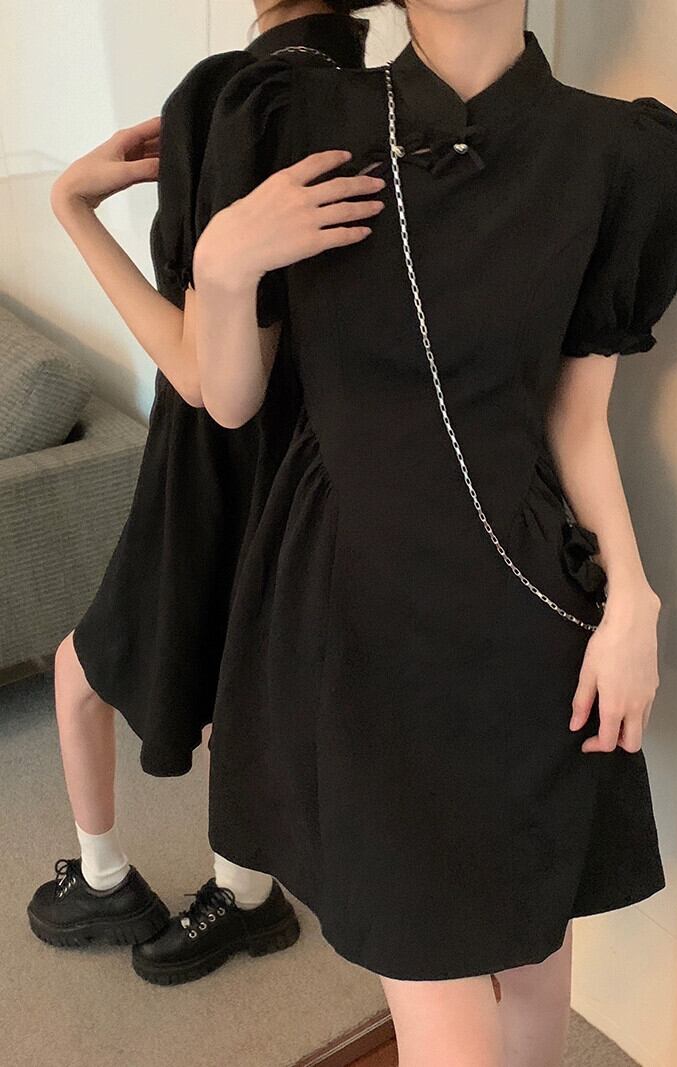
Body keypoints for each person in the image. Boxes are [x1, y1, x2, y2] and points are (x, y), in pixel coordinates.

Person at [184, 0, 677, 1061]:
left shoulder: (612, 151)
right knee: (434, 984)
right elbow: (231, 399)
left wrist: (632, 597)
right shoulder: (293, 114)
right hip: (357, 604)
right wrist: (224, 265)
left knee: (530, 949)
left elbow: (574, 419)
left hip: (523, 602)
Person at [26, 1, 374, 986]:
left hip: (213, 458)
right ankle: (245, 895)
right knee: (238, 679)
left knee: (84, 666)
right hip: (318, 453)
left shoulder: (234, 94)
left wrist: (72, 206)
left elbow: (200, 371)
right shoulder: (377, 100)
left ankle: (107, 879)